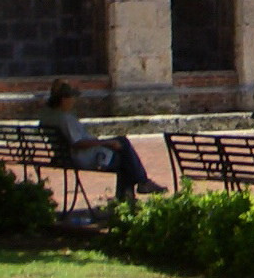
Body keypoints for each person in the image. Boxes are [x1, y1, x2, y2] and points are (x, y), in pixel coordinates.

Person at [37, 80, 165, 201]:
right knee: (124, 155)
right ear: (63, 99)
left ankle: (132, 192)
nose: (73, 101)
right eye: (71, 98)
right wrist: (105, 142)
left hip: (65, 156)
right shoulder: (65, 119)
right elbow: (77, 143)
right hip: (82, 157)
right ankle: (140, 184)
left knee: (122, 143)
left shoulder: (47, 115)